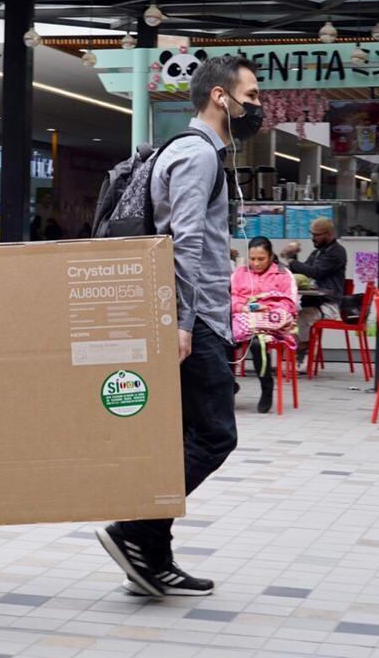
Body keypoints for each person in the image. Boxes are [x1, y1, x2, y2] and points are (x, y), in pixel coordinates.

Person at [95, 54, 260, 598]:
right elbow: (184, 242)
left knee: (177, 440)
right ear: (221, 97)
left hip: (197, 314)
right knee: (216, 435)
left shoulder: (195, 151)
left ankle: (152, 559)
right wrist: (183, 322)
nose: (255, 106)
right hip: (196, 319)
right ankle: (135, 527)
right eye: (250, 96)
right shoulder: (197, 156)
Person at [231, 236, 299, 413]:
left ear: (270, 257)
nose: (256, 263)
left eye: (261, 259)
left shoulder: (283, 275)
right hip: (241, 322)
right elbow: (229, 298)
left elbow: (289, 303)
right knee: (222, 339)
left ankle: (266, 386)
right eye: (252, 259)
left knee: (257, 343)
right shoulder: (239, 273)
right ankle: (228, 385)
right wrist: (244, 307)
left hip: (271, 325)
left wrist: (264, 308)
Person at [281, 218, 346, 363]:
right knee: (287, 315)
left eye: (317, 235)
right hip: (313, 301)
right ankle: (292, 352)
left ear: (329, 234)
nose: (313, 238)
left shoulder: (337, 252)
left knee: (303, 317)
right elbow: (304, 272)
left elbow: (316, 272)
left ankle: (303, 351)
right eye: (312, 234)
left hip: (329, 304)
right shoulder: (318, 252)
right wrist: (292, 256)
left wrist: (292, 261)